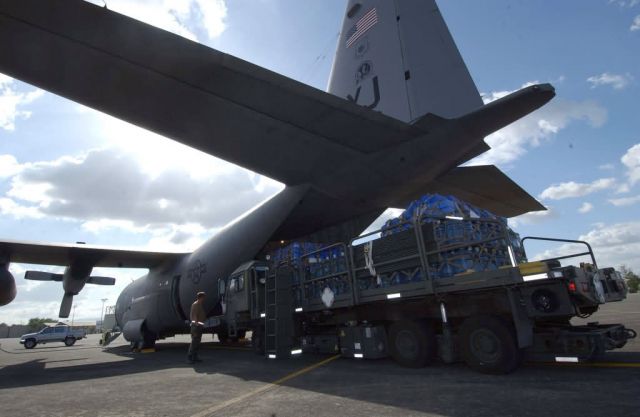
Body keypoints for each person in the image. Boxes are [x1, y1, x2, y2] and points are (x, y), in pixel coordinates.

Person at [187, 291, 206, 363]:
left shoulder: (200, 304)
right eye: (203, 297)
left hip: (199, 326)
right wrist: (196, 324)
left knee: (197, 342)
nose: (204, 299)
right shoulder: (195, 304)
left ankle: (195, 357)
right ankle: (190, 357)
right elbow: (194, 315)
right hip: (195, 327)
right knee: (194, 342)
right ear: (201, 297)